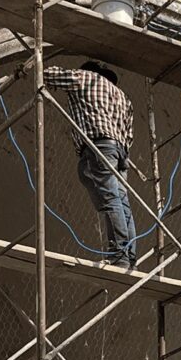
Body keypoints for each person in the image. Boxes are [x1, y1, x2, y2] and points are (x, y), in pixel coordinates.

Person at [43, 60, 137, 269]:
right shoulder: (123, 97)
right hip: (119, 151)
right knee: (122, 202)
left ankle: (119, 255)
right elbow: (129, 134)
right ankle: (129, 257)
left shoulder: (86, 78)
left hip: (99, 146)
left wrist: (38, 65)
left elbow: (49, 75)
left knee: (109, 199)